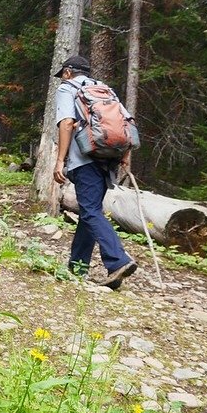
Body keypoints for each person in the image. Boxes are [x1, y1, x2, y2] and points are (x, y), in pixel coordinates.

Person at [53, 55, 137, 289]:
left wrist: (60, 160)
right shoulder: (104, 89)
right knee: (90, 211)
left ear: (68, 72)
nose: (62, 78)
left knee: (89, 212)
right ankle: (77, 267)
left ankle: (118, 260)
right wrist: (124, 155)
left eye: (63, 74)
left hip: (83, 158)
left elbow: (67, 123)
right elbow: (126, 123)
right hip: (107, 158)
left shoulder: (66, 90)